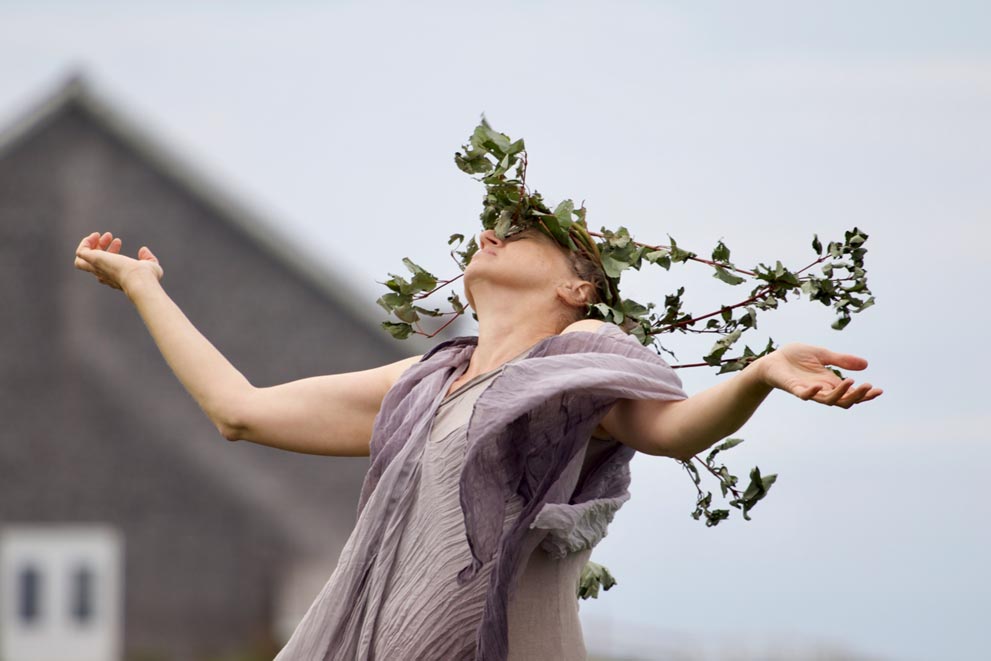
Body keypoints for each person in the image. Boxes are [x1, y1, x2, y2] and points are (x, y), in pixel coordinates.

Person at [73, 227, 882, 660]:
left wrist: (758, 373)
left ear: (577, 286)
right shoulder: (428, 382)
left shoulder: (580, 358)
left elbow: (669, 430)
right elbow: (238, 411)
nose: (492, 230)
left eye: (523, 230)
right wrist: (145, 290)